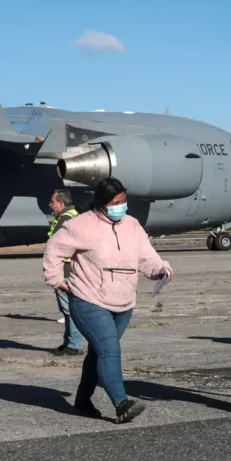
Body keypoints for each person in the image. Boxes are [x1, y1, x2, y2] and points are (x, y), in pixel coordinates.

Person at [44, 177, 172, 423]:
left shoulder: (132, 225)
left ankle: (82, 400)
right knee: (110, 350)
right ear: (101, 203)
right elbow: (53, 249)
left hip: (123, 303)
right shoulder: (81, 226)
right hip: (88, 299)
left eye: (124, 201)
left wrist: (161, 270)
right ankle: (121, 403)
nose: (121, 207)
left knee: (99, 352)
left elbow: (146, 255)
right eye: (116, 202)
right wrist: (58, 280)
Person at [46, 188, 83, 356]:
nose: (50, 205)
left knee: (69, 309)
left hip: (65, 271)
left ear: (61, 204)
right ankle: (69, 342)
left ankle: (74, 344)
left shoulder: (65, 220)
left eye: (53, 202)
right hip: (71, 270)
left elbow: (58, 248)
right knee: (68, 309)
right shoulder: (74, 216)